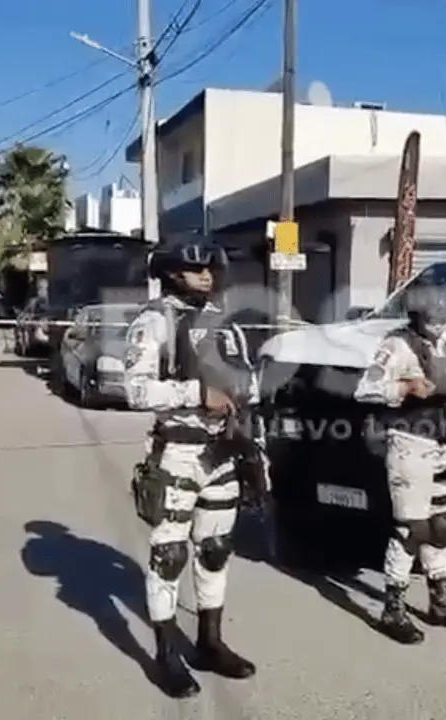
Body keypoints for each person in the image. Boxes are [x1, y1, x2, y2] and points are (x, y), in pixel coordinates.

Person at [123, 233, 264, 698]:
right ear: (169, 272)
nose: (207, 275)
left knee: (216, 548)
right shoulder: (154, 322)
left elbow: (250, 388)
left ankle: (210, 642)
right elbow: (137, 390)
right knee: (169, 555)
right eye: (195, 268)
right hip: (179, 452)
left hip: (224, 453)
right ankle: (165, 656)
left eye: (211, 268)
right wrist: (194, 394)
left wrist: (255, 450)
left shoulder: (226, 323)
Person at [353, 285, 446, 645]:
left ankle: (440, 604)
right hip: (410, 443)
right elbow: (365, 389)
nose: (441, 323)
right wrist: (405, 388)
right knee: (411, 530)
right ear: (417, 315)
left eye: (445, 316)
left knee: (441, 526)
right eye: (433, 316)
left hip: (443, 445)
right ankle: (392, 610)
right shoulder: (397, 345)